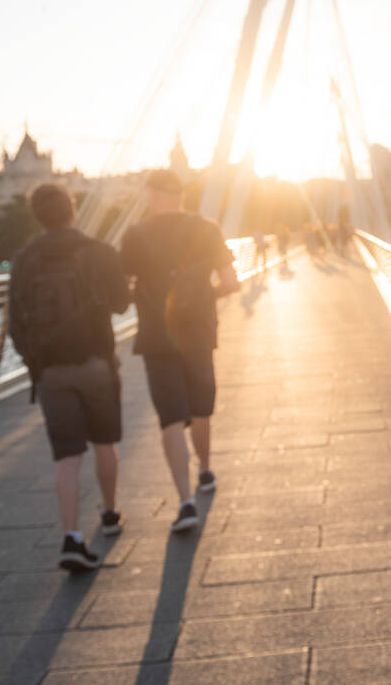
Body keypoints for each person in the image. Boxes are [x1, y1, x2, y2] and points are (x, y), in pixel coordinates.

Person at [9, 183, 130, 570]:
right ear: (72, 209)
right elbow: (122, 303)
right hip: (97, 363)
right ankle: (110, 514)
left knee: (66, 456)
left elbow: (14, 323)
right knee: (105, 443)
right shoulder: (99, 252)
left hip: (51, 372)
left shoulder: (24, 259)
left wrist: (36, 361)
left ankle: (71, 537)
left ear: (38, 216)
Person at [120, 170, 239, 533]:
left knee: (171, 417)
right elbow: (231, 282)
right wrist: (202, 298)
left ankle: (186, 502)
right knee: (201, 408)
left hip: (157, 337)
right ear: (182, 195)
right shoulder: (206, 228)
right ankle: (205, 471)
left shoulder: (135, 235)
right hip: (198, 333)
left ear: (151, 195)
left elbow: (123, 291)